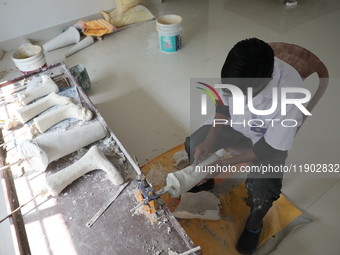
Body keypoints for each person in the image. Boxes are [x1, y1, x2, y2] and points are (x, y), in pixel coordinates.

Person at [184, 38, 304, 254]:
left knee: (262, 192)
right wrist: (211, 138)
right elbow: (223, 104)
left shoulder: (291, 93)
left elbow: (271, 148)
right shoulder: (238, 73)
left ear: (266, 82)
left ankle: (254, 224)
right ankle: (207, 180)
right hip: (237, 123)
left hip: (266, 138)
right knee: (194, 144)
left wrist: (227, 163)